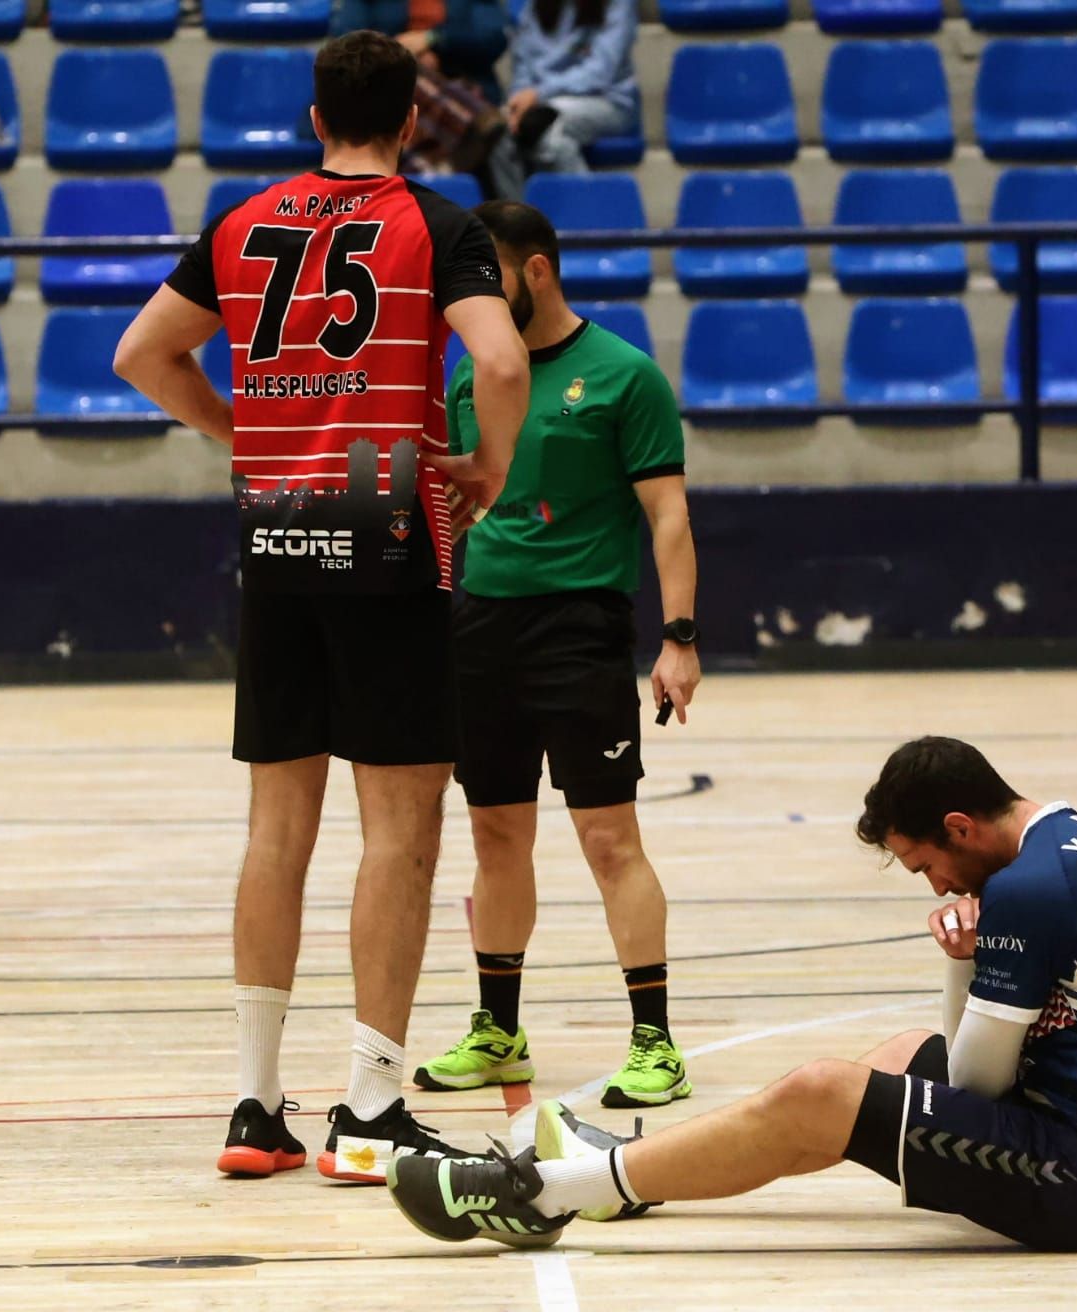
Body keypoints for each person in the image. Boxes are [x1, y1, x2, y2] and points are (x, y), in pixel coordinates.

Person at [112, 32, 529, 1184]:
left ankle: (254, 1104)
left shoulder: (244, 224)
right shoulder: (439, 226)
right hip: (388, 532)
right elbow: (498, 363)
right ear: (410, 123)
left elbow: (144, 352)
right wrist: (489, 469)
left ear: (311, 120)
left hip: (279, 533)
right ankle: (369, 1107)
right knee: (398, 830)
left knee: (275, 826)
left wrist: (245, 434)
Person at [390, 737, 1077, 1252]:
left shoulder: (1027, 891)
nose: (935, 883)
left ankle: (550, 1196)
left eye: (927, 865)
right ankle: (628, 1173)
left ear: (959, 825)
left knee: (823, 1093)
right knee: (892, 1060)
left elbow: (971, 1087)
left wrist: (959, 961)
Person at [411, 200, 701, 1111]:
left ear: (534, 271)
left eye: (486, 276)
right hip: (480, 630)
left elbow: (667, 514)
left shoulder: (624, 377)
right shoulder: (472, 379)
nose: (474, 301)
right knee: (496, 835)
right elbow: (461, 505)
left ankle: (655, 1043)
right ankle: (498, 1031)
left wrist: (679, 637)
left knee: (608, 837)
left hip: (580, 629)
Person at [486, 0, 639, 200]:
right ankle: (522, 222)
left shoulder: (618, 4)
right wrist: (518, 102)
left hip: (606, 101)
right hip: (537, 103)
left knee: (548, 133)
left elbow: (600, 73)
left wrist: (539, 94)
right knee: (498, 135)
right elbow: (522, 66)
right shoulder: (534, 8)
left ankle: (586, 221)